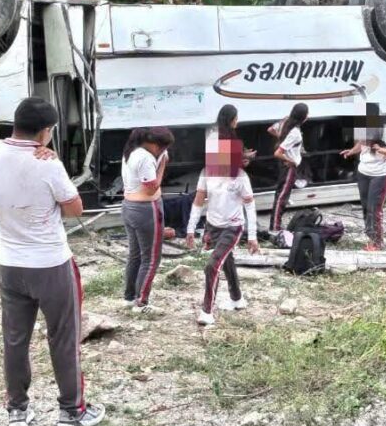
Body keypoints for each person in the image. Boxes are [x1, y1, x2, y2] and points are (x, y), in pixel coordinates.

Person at [0, 97, 105, 426]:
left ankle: (18, 412)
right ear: (45, 132)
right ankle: (72, 411)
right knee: (63, 338)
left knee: (15, 339)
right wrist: (52, 160)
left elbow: (10, 153)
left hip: (9, 265)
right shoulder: (48, 164)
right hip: (50, 264)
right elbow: (75, 209)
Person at [186, 133, 260, 326]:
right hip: (213, 225)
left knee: (212, 265)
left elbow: (250, 206)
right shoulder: (207, 172)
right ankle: (237, 299)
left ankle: (207, 311)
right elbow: (198, 201)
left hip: (233, 227)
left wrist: (252, 236)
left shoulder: (241, 177)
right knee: (226, 261)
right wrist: (190, 229)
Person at [121, 126, 175, 313]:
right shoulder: (145, 158)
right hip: (146, 208)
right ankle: (141, 302)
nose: (161, 151)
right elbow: (151, 188)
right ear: (152, 143)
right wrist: (161, 165)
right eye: (161, 147)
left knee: (135, 255)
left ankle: (129, 297)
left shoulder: (132, 152)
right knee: (151, 258)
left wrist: (159, 158)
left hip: (129, 206)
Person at [341, 112, 386, 251]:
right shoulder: (364, 128)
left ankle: (378, 242)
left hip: (381, 173)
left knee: (374, 208)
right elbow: (361, 144)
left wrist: (381, 150)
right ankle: (370, 235)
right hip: (364, 171)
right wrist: (351, 151)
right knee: (365, 205)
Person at [269, 103, 309, 232]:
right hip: (289, 167)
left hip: (283, 166)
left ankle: (275, 226)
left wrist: (281, 138)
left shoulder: (285, 122)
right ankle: (275, 227)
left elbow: (270, 129)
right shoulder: (295, 133)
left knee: (279, 195)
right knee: (282, 198)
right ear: (303, 117)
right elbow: (278, 153)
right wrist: (290, 159)